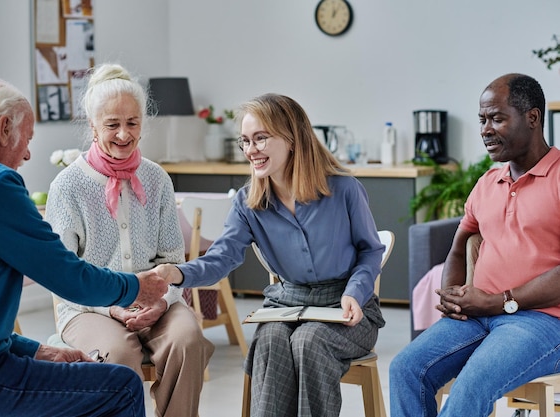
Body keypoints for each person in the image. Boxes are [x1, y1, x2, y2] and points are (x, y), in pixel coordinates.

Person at [0, 78, 169, 416]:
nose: (28, 153)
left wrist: (35, 350)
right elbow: (67, 275)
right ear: (3, 129)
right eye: (27, 139)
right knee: (122, 387)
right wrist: (137, 287)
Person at [155, 93, 386, 417]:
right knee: (270, 341)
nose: (251, 150)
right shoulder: (249, 203)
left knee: (310, 342)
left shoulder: (343, 188)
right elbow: (222, 257)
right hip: (287, 306)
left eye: (261, 139)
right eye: (245, 141)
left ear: (292, 138)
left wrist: (355, 292)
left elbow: (371, 250)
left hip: (348, 308)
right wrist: (176, 273)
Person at [45, 63, 214, 417]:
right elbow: (61, 275)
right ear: (93, 127)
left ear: (142, 123)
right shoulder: (68, 186)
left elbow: (172, 259)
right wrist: (112, 306)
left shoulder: (157, 179)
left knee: (189, 341)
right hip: (88, 307)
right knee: (118, 356)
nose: (124, 134)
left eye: (132, 123)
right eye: (112, 124)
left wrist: (163, 301)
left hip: (155, 301)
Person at [389, 73, 560, 417]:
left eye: (497, 118)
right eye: (482, 119)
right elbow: (459, 246)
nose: (485, 129)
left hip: (543, 322)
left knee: (470, 388)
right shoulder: (487, 182)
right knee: (405, 370)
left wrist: (499, 302)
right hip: (478, 315)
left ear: (533, 117)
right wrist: (452, 296)